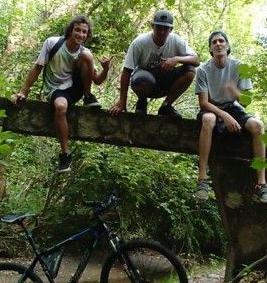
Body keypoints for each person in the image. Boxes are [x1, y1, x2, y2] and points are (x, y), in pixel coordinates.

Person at [12, 15, 110, 172]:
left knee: (87, 56)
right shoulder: (53, 43)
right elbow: (38, 68)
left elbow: (97, 80)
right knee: (60, 106)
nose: (80, 34)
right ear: (70, 30)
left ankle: (87, 96)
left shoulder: (85, 53)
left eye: (84, 32)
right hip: (54, 89)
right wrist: (23, 91)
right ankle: (65, 154)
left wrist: (106, 69)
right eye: (77, 30)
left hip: (74, 88)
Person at [193, 30, 267, 204]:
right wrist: (224, 116)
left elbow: (245, 102)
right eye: (214, 42)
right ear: (210, 48)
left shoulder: (239, 66)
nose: (218, 44)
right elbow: (203, 103)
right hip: (212, 108)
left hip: (233, 107)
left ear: (227, 46)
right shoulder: (203, 70)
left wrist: (234, 91)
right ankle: (202, 179)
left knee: (258, 126)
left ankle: (262, 184)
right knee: (209, 119)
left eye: (221, 41)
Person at [108, 9, 200, 118]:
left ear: (171, 29)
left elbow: (196, 60)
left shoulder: (176, 40)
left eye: (165, 28)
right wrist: (122, 101)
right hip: (143, 82)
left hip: (164, 82)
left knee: (190, 70)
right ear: (152, 26)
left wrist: (176, 59)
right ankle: (142, 102)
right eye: (159, 27)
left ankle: (166, 106)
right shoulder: (140, 43)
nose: (161, 31)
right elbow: (127, 71)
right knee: (143, 79)